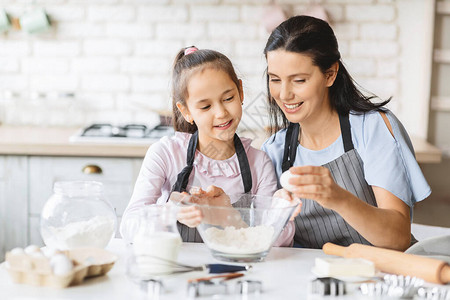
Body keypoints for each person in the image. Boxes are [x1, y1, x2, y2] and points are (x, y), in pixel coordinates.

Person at [261, 15, 431, 251]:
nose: (284, 94)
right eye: (275, 80)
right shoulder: (274, 150)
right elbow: (262, 239)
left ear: (330, 74)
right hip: (308, 281)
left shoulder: (373, 128)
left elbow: (398, 237)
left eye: (299, 80)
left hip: (378, 277)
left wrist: (338, 198)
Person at [120, 46, 296, 245]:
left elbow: (283, 239)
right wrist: (170, 212)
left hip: (235, 270)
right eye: (205, 106)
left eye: (228, 98)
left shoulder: (258, 162)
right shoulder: (166, 154)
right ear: (185, 111)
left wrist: (230, 217)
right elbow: (128, 226)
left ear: (240, 91)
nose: (221, 113)